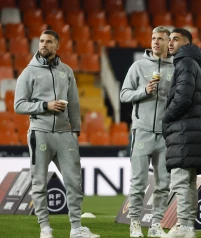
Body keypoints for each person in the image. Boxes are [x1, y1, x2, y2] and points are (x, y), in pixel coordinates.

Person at [13, 30, 99, 238]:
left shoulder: (66, 71)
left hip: (64, 134)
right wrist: (45, 105)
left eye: (49, 41)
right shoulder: (28, 72)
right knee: (39, 182)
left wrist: (75, 130)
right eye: (42, 41)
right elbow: (18, 105)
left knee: (74, 182)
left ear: (57, 46)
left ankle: (76, 228)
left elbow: (74, 102)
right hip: (39, 132)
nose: (44, 44)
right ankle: (45, 228)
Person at [120, 26, 174, 238]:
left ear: (168, 42)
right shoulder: (138, 66)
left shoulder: (176, 68)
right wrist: (144, 91)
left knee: (163, 184)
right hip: (141, 131)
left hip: (166, 133)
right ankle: (134, 223)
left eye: (160, 38)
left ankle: (156, 224)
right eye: (153, 38)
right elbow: (124, 94)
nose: (155, 42)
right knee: (139, 181)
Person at [161, 28, 201, 238]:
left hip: (184, 131)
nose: (170, 43)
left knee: (181, 180)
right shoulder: (192, 62)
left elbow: (183, 97)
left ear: (187, 42)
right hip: (192, 130)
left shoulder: (185, 63)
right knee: (189, 182)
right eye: (169, 39)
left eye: (175, 39)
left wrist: (166, 117)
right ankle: (188, 226)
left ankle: (183, 225)